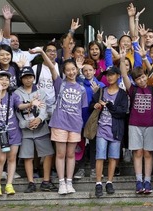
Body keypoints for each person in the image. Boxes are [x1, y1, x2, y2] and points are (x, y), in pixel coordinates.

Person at [120, 45, 153, 194]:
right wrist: (122, 60)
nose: (141, 80)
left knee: (148, 153)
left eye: (142, 77)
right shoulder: (132, 89)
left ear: (146, 76)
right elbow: (124, 76)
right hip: (134, 125)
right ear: (134, 81)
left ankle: (148, 180)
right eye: (138, 79)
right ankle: (139, 181)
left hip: (151, 125)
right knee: (138, 153)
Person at [13, 67, 56, 193]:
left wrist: (40, 119)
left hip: (41, 128)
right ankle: (31, 182)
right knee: (28, 156)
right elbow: (17, 111)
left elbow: (44, 109)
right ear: (21, 79)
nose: (28, 79)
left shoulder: (40, 92)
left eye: (30, 77)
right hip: (26, 129)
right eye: (25, 77)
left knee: (48, 153)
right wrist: (26, 123)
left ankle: (46, 181)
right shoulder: (17, 93)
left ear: (33, 78)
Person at [49, 59, 88, 195]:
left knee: (71, 155)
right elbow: (51, 67)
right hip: (60, 123)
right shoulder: (60, 83)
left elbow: (82, 109)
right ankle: (61, 182)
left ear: (77, 70)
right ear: (64, 72)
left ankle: (69, 182)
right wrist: (41, 53)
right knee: (60, 154)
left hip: (75, 125)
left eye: (73, 69)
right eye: (68, 70)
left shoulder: (81, 88)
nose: (71, 72)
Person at [91, 67, 128, 197]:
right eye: (108, 75)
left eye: (112, 74)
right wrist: (95, 106)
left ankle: (109, 181)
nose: (110, 77)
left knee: (113, 157)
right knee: (100, 155)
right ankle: (98, 183)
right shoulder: (101, 91)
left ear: (118, 76)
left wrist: (109, 106)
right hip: (101, 127)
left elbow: (123, 112)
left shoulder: (123, 94)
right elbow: (92, 104)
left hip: (116, 129)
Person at [0, 71, 21, 196]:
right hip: (0, 132)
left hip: (14, 131)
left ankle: (9, 184)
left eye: (6, 79)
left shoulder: (13, 95)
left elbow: (20, 106)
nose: (4, 82)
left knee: (12, 158)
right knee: (1, 158)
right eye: (1, 79)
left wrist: (30, 104)